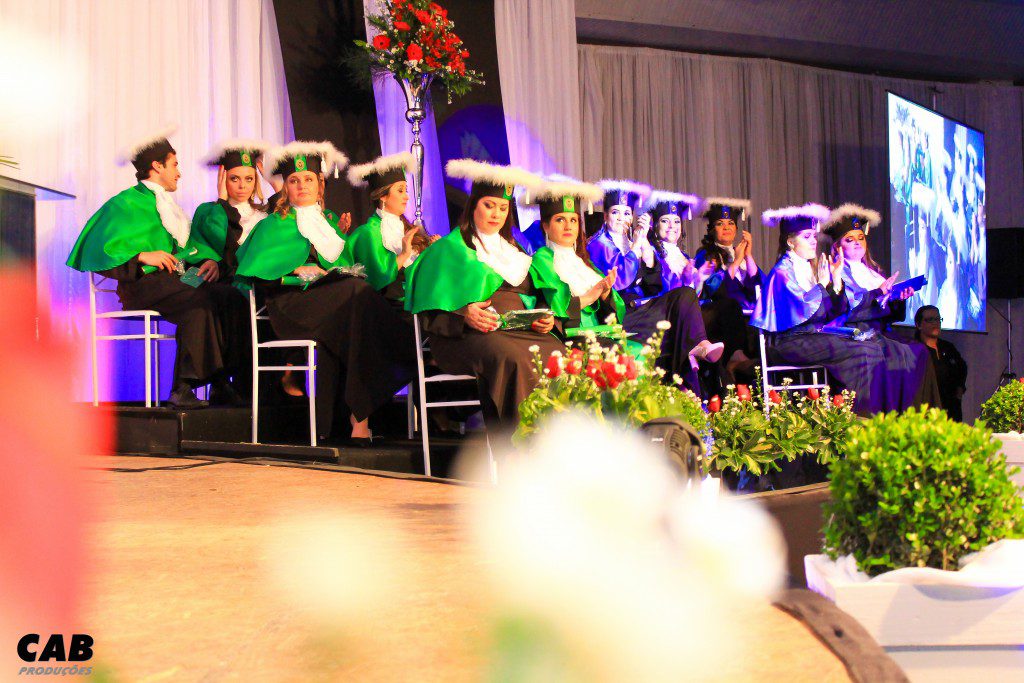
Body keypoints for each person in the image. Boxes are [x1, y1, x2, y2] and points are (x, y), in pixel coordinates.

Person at [235, 141, 415, 443]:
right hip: (292, 306)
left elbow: (343, 266)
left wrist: (331, 273)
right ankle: (403, 355)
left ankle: (352, 423)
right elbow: (256, 278)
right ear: (285, 187)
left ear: (319, 184)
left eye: (308, 179)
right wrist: (295, 270)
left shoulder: (328, 223)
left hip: (333, 304)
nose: (302, 186)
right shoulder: (272, 225)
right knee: (358, 295)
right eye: (294, 181)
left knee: (356, 314)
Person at [66, 127, 246, 408]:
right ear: (157, 166)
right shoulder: (126, 202)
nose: (179, 172)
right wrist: (141, 255)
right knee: (200, 299)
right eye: (175, 165)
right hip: (144, 286)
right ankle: (183, 387)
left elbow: (187, 248)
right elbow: (98, 248)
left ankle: (221, 382)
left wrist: (208, 261)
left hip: (177, 279)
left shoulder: (169, 206)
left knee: (229, 295)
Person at [404, 159, 564, 434]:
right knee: (511, 357)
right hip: (466, 335)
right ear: (473, 206)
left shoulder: (515, 252)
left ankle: (557, 443)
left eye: (503, 208)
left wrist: (544, 318)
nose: (496, 214)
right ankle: (517, 445)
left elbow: (539, 295)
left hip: (519, 331)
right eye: (489, 205)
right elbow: (429, 309)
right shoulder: (449, 249)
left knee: (558, 354)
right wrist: (464, 315)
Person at [752, 203, 935, 415]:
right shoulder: (783, 272)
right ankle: (855, 417)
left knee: (875, 349)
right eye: (807, 237)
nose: (813, 241)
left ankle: (875, 415)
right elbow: (806, 313)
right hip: (789, 341)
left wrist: (836, 283)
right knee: (864, 351)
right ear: (790, 242)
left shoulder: (808, 267)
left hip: (811, 336)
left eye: (814, 236)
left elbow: (830, 311)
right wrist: (824, 286)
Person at [523, 179, 625, 346]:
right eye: (560, 220)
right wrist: (592, 295)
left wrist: (606, 291)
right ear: (546, 226)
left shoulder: (583, 261)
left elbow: (615, 310)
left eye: (573, 220)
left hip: (599, 331)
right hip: (570, 335)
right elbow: (558, 306)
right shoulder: (543, 258)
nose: (568, 227)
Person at [344, 151, 433, 304]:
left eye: (405, 190)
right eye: (400, 190)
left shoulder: (405, 228)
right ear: (383, 196)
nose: (406, 196)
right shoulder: (368, 233)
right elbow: (378, 278)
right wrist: (404, 254)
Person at [693, 197, 761, 380]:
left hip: (748, 318)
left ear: (737, 228)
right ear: (711, 229)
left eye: (731, 223)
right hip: (719, 318)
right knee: (730, 306)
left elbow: (758, 288)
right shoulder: (705, 255)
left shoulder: (740, 253)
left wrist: (748, 256)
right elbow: (716, 289)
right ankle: (736, 357)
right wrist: (736, 261)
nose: (726, 227)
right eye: (720, 223)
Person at [818, 203, 913, 332]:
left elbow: (891, 316)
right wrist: (879, 292)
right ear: (837, 246)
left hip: (879, 334)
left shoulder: (874, 273)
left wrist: (898, 299)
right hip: (853, 336)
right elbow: (850, 309)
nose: (857, 242)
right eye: (850, 240)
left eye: (861, 238)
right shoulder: (836, 273)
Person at [187, 140, 273, 281]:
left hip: (257, 285)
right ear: (223, 179)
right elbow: (211, 244)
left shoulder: (265, 215)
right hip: (215, 282)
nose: (242, 186)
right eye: (234, 179)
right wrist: (222, 201)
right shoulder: (207, 211)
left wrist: (275, 184)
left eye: (249, 179)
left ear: (255, 181)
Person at [586, 179, 652, 292]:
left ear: (631, 218)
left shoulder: (629, 241)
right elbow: (620, 279)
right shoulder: (599, 243)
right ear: (605, 216)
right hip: (616, 299)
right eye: (615, 212)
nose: (621, 218)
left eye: (626, 213)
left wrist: (643, 238)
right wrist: (636, 245)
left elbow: (651, 275)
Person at [914, 305, 967, 421]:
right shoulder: (914, 349)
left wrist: (960, 389)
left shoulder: (948, 347)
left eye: (938, 319)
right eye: (930, 320)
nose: (935, 323)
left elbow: (962, 367)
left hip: (951, 410)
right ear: (918, 325)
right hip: (926, 410)